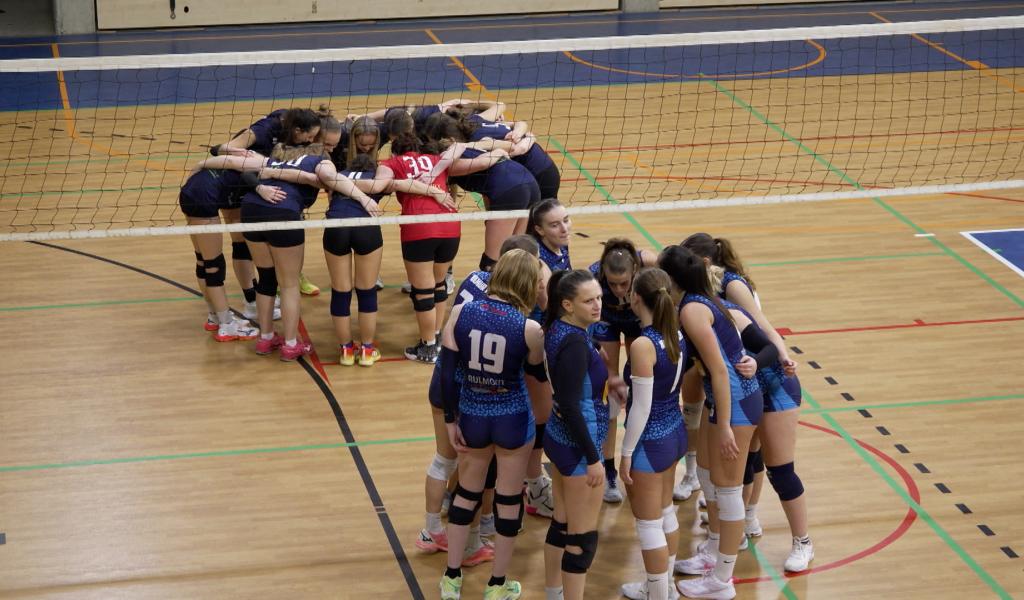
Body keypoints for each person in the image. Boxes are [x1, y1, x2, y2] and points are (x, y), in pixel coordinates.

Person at [438, 249, 545, 600]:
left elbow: (448, 375)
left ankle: (451, 577)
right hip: (512, 419)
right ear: (528, 284)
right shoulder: (530, 328)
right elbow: (536, 375)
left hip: (472, 414)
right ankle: (497, 584)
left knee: (467, 493)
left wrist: (452, 420)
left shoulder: (461, 312)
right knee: (508, 499)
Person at [659, 246, 762, 600]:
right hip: (721, 397)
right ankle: (715, 550)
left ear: (671, 280)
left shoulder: (692, 309)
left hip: (735, 398)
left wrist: (728, 424)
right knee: (705, 473)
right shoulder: (696, 300)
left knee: (728, 486)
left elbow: (719, 369)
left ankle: (722, 579)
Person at [375, 115, 508, 363]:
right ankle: (435, 337)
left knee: (422, 290)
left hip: (419, 227)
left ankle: (427, 347)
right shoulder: (438, 160)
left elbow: (378, 185)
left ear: (396, 149)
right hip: (450, 226)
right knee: (438, 285)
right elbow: (465, 152)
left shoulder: (391, 162)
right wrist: (500, 151)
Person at [541, 269, 625, 600]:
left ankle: (553, 592)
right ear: (567, 304)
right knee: (582, 537)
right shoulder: (576, 342)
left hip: (559, 437)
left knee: (562, 523)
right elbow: (572, 404)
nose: (597, 305)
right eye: (588, 301)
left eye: (599, 298)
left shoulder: (562, 329)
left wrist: (609, 379)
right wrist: (594, 459)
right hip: (579, 446)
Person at [323, 152, 450, 366]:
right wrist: (434, 192)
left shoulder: (338, 175)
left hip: (335, 226)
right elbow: (404, 184)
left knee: (340, 290)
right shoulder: (378, 177)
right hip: (366, 229)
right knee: (366, 290)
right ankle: (366, 351)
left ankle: (345, 351)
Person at [619, 268, 688, 600]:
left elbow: (641, 408)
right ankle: (661, 587)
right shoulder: (676, 333)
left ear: (636, 297)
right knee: (665, 513)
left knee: (648, 524)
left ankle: (658, 593)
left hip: (651, 439)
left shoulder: (644, 344)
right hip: (674, 431)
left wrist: (626, 453)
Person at [212, 106, 328, 296]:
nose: (311, 141)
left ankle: (294, 275)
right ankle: (256, 292)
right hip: (240, 181)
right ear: (297, 130)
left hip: (271, 177)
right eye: (309, 137)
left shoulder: (298, 127)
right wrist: (257, 181)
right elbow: (226, 152)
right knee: (243, 242)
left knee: (293, 225)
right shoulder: (264, 130)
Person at [179, 152, 288, 341]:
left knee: (203, 260)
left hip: (193, 191)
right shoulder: (267, 166)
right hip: (204, 196)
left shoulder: (254, 166)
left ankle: (215, 316)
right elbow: (228, 159)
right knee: (213, 266)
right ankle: (227, 325)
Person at [422, 112, 540, 272]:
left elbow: (457, 150)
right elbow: (490, 181)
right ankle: (520, 291)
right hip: (529, 182)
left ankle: (490, 295)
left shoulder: (449, 162)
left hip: (511, 191)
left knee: (491, 261)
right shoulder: (473, 147)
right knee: (516, 252)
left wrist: (432, 173)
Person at [588, 238, 658, 503]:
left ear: (634, 273)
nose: (618, 289)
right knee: (611, 393)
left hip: (637, 319)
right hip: (606, 319)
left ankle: (639, 459)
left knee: (639, 387)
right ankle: (609, 473)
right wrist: (610, 374)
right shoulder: (592, 274)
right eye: (613, 283)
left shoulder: (647, 261)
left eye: (624, 284)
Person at [529, 199, 572, 272]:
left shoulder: (560, 242)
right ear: (540, 230)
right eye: (554, 225)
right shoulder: (538, 262)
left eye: (566, 220)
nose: (564, 229)